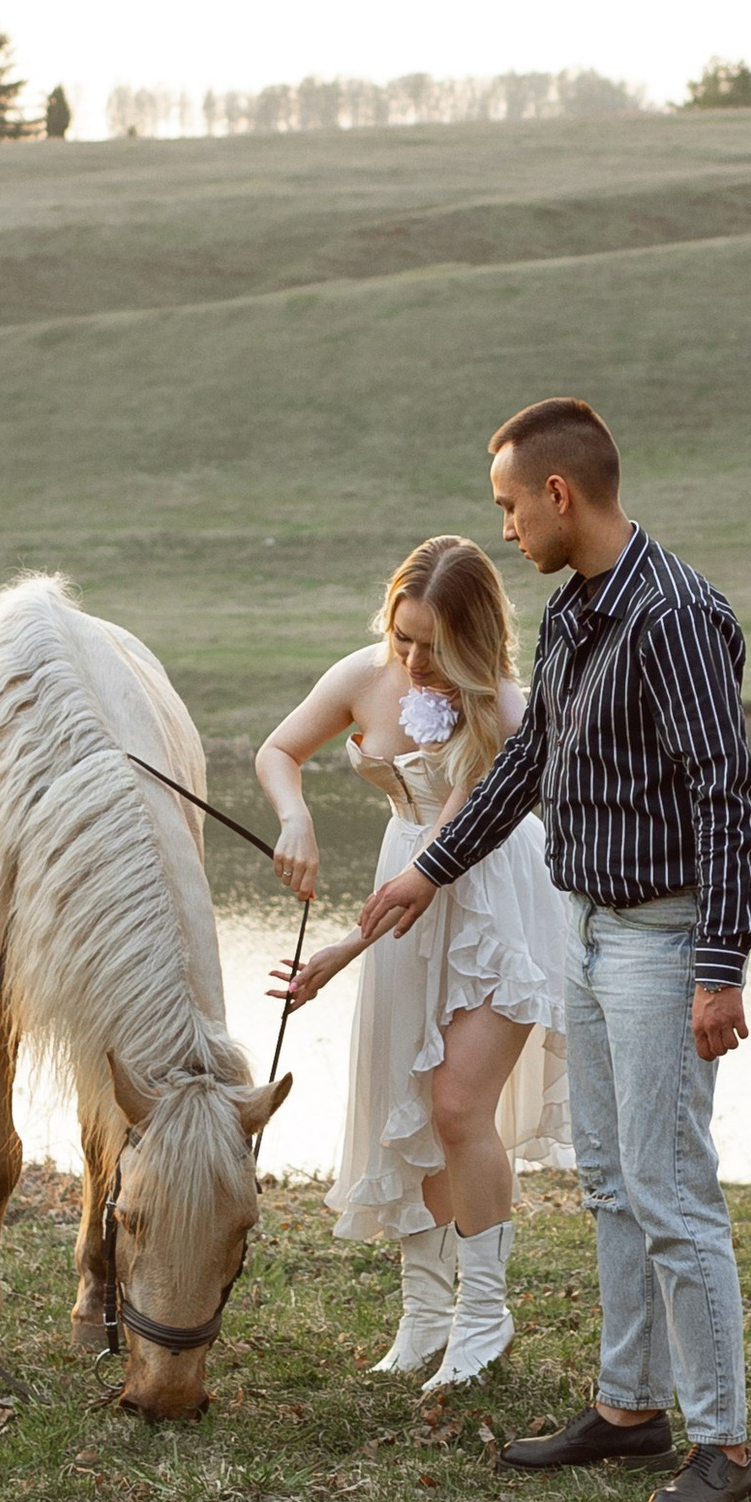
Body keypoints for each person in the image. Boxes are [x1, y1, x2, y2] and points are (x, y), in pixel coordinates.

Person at [359, 395, 751, 1502]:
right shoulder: (575, 613)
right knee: (609, 1184)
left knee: (672, 1190)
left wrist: (720, 961)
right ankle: (630, 1410)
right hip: (587, 927)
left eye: (507, 507)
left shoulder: (676, 616)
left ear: (559, 494)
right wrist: (428, 870)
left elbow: (722, 794)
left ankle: (723, 1441)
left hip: (663, 935)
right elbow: (526, 761)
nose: (503, 532)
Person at [254, 536, 572, 1391]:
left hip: (488, 892)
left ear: (474, 636)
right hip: (404, 889)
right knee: (415, 1108)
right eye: (403, 637)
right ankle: (425, 1314)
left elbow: (446, 848)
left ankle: (484, 1314)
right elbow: (277, 751)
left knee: (459, 1104)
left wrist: (341, 951)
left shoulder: (504, 710)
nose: (413, 659)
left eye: (433, 644)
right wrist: (296, 819)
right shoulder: (365, 673)